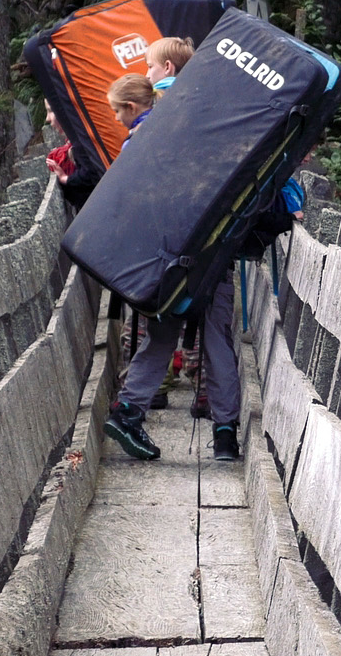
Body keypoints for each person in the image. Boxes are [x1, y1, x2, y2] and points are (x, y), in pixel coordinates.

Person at [100, 67, 248, 464]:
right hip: (213, 254)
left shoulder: (142, 141)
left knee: (161, 336)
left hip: (165, 259)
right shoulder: (209, 135)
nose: (116, 119)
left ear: (132, 107)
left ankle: (129, 411)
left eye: (117, 111)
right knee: (218, 341)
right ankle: (224, 434)